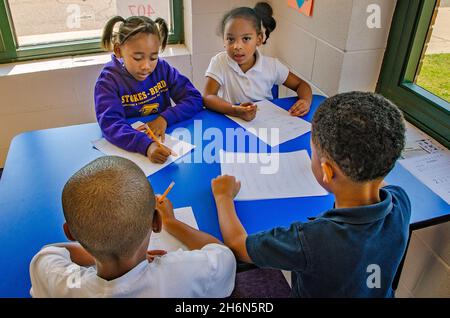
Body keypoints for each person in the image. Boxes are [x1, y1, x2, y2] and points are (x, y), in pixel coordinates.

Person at [211, 92, 411, 297]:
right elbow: (375, 168)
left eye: (312, 154)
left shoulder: (311, 239)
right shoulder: (401, 201)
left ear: (328, 171)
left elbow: (238, 245)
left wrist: (223, 197)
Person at [30, 156, 236, 297]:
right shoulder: (188, 272)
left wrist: (107, 250)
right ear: (156, 222)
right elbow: (223, 253)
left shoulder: (60, 282)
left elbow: (49, 253)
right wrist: (172, 222)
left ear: (70, 233)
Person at [95, 16, 203, 164]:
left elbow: (194, 98)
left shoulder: (162, 69)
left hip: (167, 136)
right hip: (131, 148)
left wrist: (165, 118)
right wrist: (146, 146)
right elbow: (111, 124)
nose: (146, 66)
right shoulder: (108, 81)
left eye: (153, 57)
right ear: (118, 50)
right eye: (138, 58)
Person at [203, 2, 312, 122]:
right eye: (230, 39)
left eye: (246, 39)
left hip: (266, 124)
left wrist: (305, 101)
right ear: (224, 41)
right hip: (231, 123)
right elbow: (208, 97)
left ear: (259, 39)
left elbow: (302, 85)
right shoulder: (220, 62)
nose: (237, 46)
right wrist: (235, 110)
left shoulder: (272, 66)